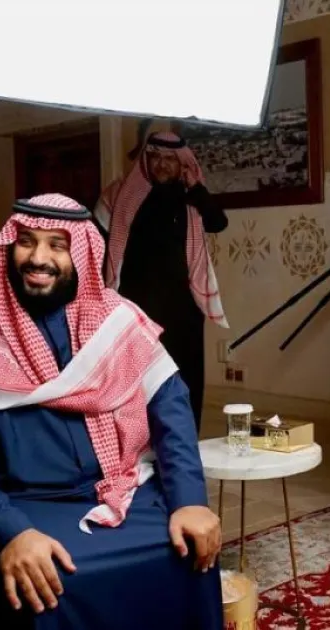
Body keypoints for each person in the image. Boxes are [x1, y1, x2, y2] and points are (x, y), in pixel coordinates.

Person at [0, 194, 223, 629]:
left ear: (82, 254)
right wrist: (11, 531)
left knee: (191, 550)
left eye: (57, 245)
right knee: (53, 580)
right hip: (17, 505)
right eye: (26, 242)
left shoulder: (118, 322)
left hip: (122, 489)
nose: (38, 258)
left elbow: (172, 416)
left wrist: (189, 501)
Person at [94, 130, 229, 433]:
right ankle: (138, 442)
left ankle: (184, 438)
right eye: (156, 157)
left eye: (170, 158)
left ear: (182, 163)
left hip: (182, 309)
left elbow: (218, 222)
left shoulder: (190, 198)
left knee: (185, 377)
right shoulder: (122, 194)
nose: (162, 164)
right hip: (136, 306)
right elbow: (96, 235)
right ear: (147, 160)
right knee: (139, 379)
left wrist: (196, 189)